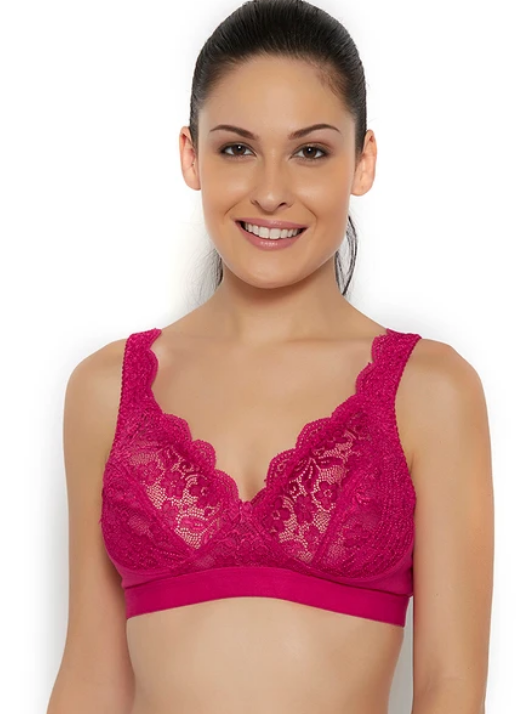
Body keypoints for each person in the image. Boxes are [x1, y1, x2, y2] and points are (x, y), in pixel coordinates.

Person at [47, 1, 494, 713]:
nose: (270, 191)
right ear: (191, 155)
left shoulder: (429, 391)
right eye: (236, 149)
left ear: (362, 161)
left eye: (310, 152)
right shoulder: (105, 390)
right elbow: (91, 680)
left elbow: (450, 688)